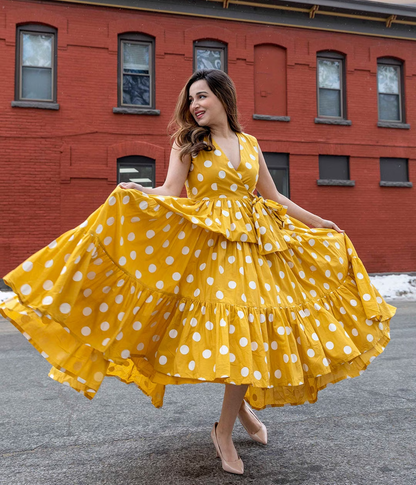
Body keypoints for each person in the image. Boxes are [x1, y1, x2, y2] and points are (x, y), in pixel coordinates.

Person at [1, 69, 396, 476]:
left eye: (203, 96)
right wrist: (138, 192)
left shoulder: (249, 143)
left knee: (248, 335)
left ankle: (231, 416)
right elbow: (171, 191)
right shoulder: (189, 143)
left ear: (224, 98)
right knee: (238, 335)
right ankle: (225, 430)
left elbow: (273, 196)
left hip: (256, 250)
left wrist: (317, 221)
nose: (196, 105)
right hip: (211, 252)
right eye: (191, 99)